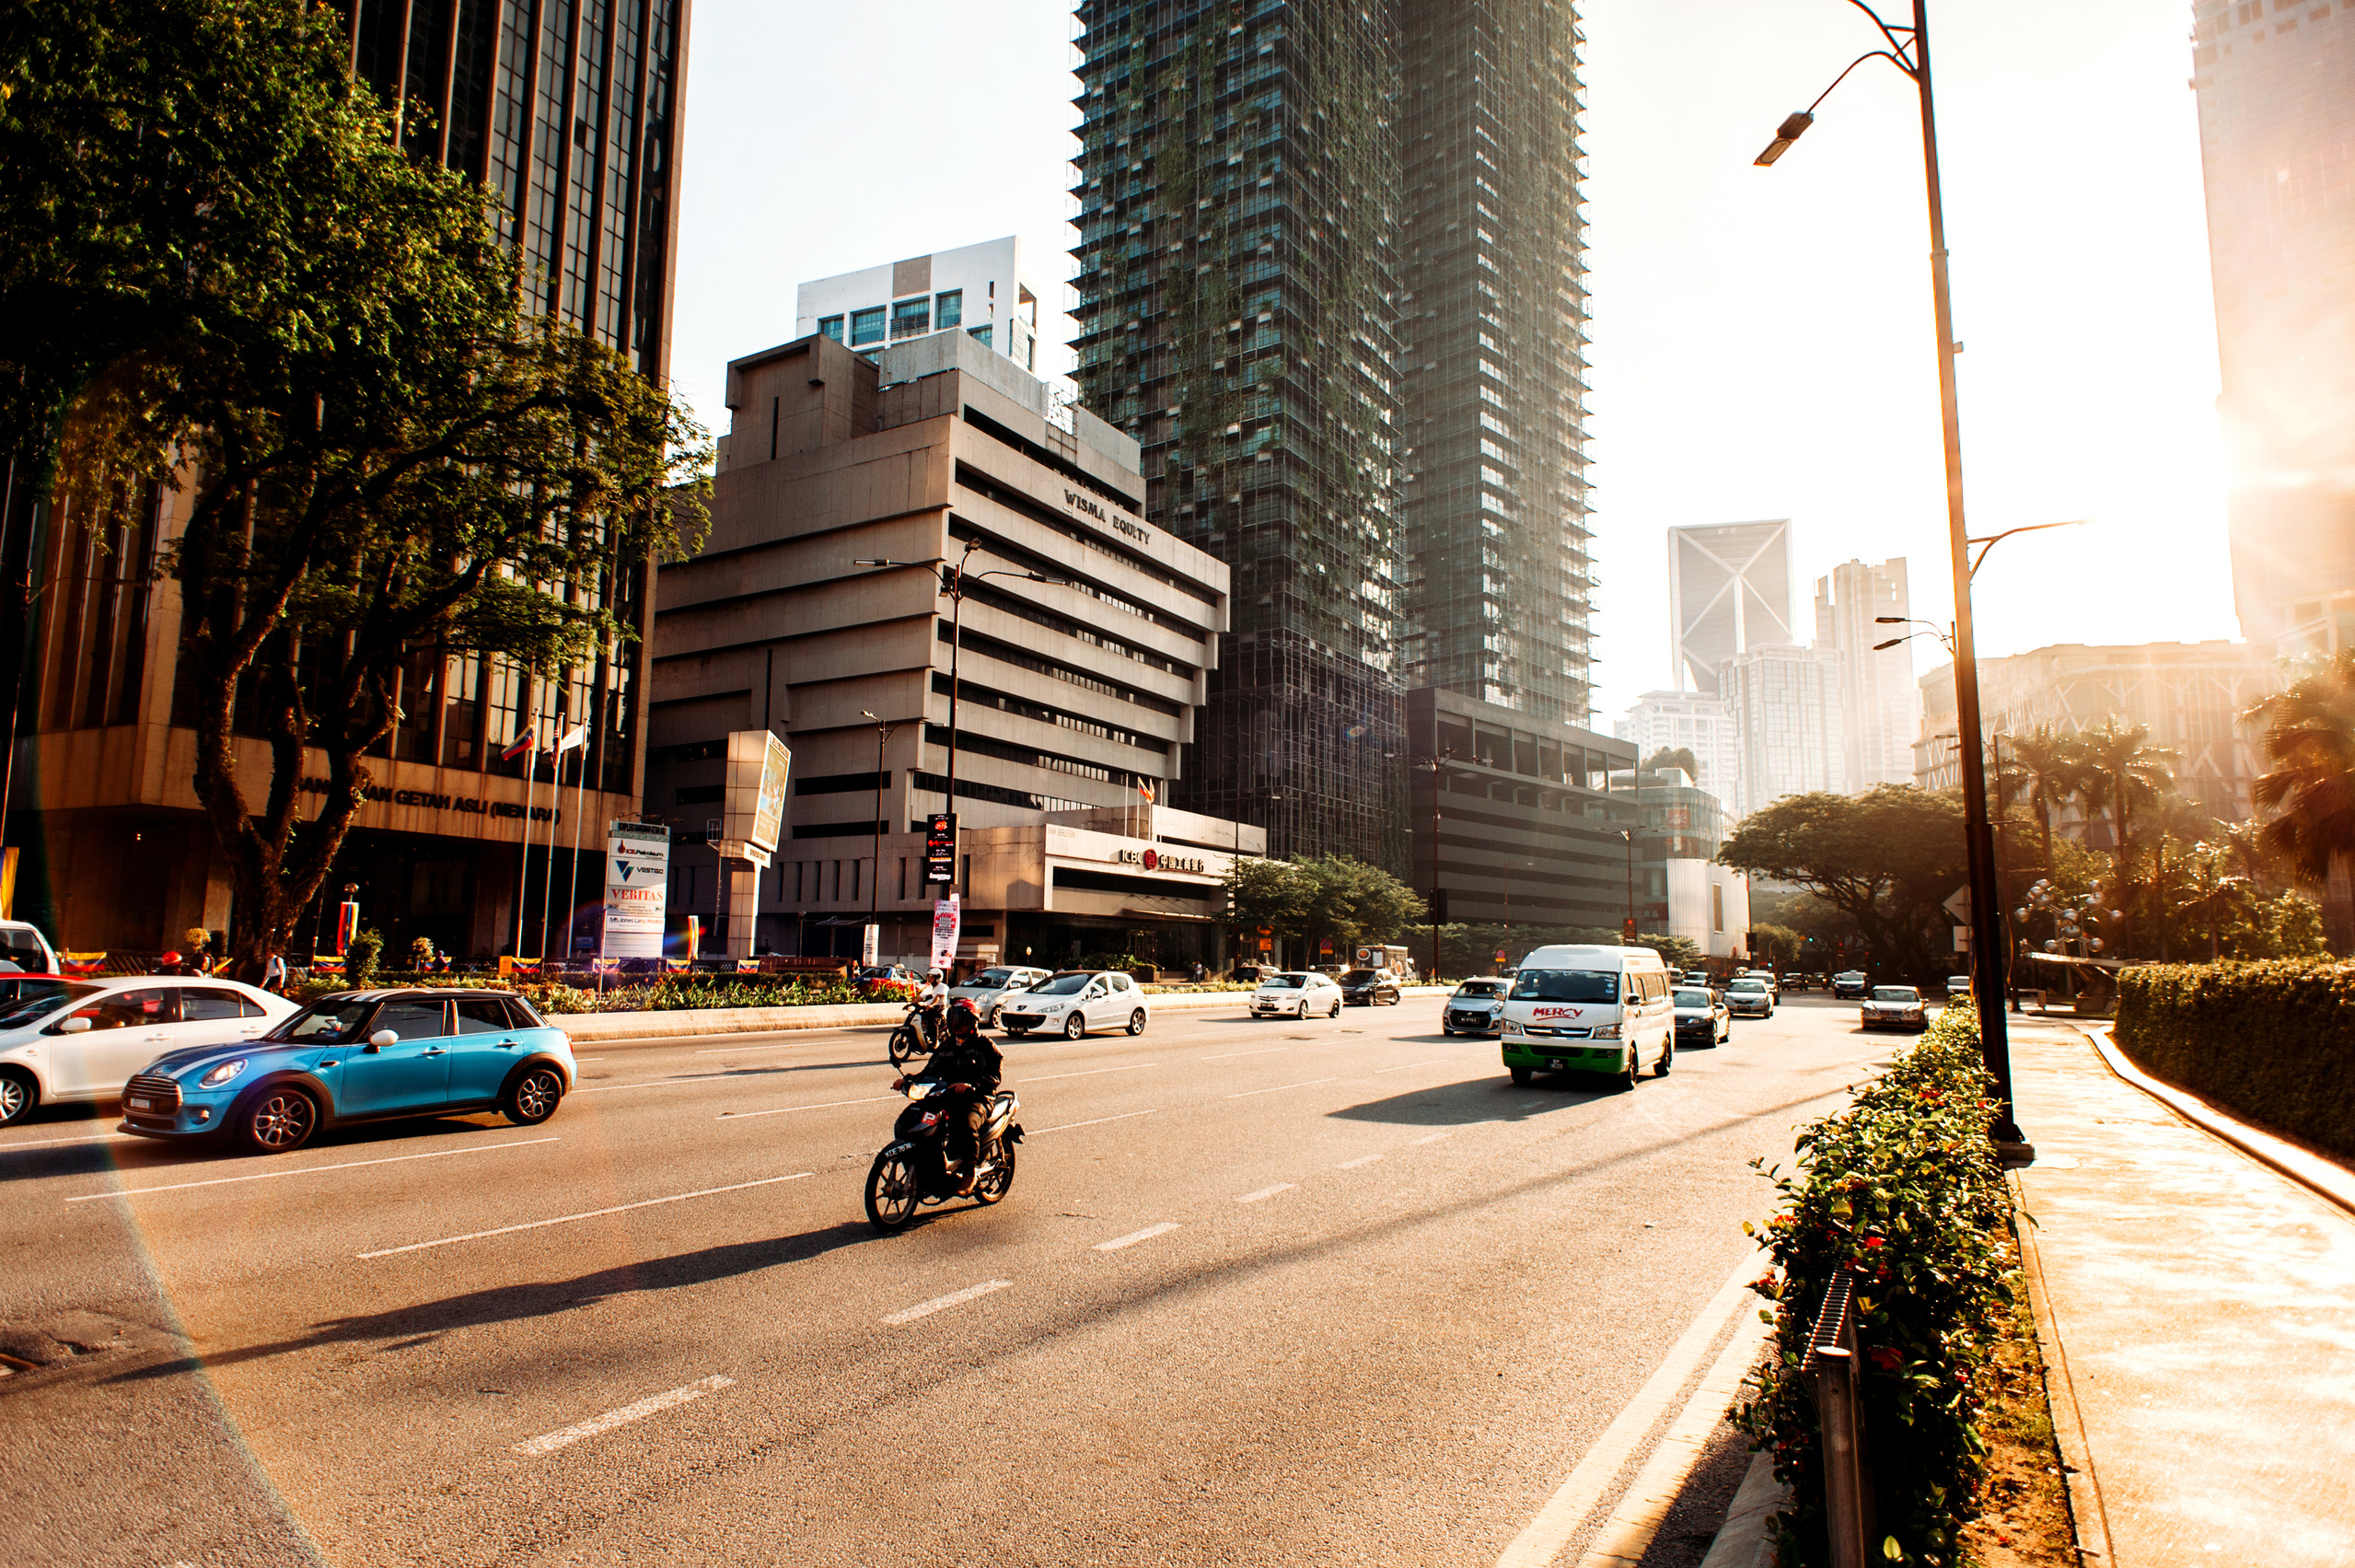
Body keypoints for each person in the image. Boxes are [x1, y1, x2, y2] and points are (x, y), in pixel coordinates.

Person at [897, 997, 1003, 1197]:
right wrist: (908, 1080)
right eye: (954, 1019)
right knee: (917, 1118)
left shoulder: (985, 1045)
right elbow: (929, 1070)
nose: (957, 1024)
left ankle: (970, 1172)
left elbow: (995, 1076)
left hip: (979, 1098)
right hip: (949, 1095)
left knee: (965, 1123)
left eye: (961, 1019)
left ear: (973, 1022)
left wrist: (972, 1086)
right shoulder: (947, 1046)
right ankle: (931, 1170)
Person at [914, 967, 948, 1047]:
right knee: (917, 1017)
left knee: (933, 1021)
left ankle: (935, 1042)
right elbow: (920, 997)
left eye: (932, 977)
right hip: (930, 1009)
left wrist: (931, 1005)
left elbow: (938, 997)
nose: (930, 979)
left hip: (939, 1010)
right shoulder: (929, 987)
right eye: (929, 977)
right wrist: (910, 1004)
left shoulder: (943, 986)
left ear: (938, 978)